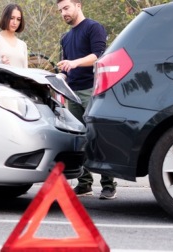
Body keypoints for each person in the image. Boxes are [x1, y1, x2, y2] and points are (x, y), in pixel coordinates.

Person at [56, 0, 117, 200]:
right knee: (79, 138)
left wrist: (74, 63)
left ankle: (108, 184)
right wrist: (61, 77)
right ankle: (84, 184)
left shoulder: (93, 27)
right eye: (60, 10)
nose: (63, 13)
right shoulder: (65, 38)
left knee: (98, 136)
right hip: (72, 93)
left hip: (93, 90)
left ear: (78, 5)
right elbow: (66, 68)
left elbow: (99, 56)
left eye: (66, 8)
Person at [0, 3, 28, 68]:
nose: (15, 22)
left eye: (18, 19)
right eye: (12, 18)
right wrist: (1, 63)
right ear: (5, 18)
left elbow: (26, 72)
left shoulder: (22, 45)